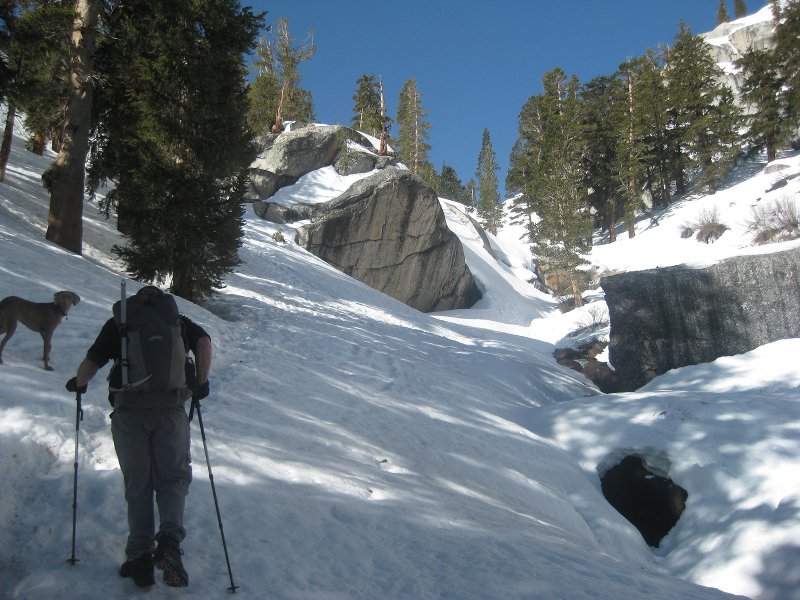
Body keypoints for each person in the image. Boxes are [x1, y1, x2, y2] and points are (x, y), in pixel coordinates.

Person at [66, 286, 212, 588]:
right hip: (171, 410)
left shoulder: (121, 323)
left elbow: (93, 360)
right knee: (172, 478)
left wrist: (78, 383)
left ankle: (140, 558)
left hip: (129, 413)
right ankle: (169, 542)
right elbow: (204, 343)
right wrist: (201, 382)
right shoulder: (178, 322)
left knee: (138, 484)